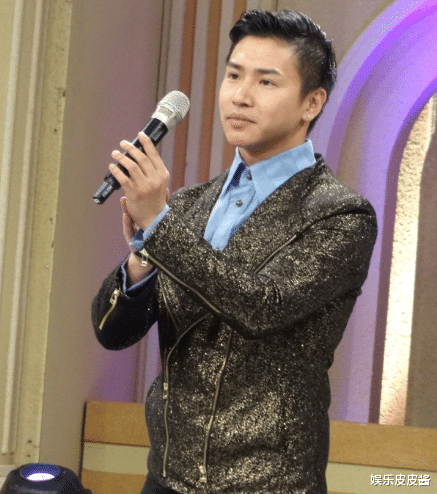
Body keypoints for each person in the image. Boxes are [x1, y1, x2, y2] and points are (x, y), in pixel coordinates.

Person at [91, 10, 377, 494]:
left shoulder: (341, 215)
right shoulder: (187, 205)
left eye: (266, 81)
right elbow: (112, 331)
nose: (240, 95)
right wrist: (142, 256)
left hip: (273, 483)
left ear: (312, 102)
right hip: (166, 478)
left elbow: (262, 306)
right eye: (233, 75)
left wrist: (160, 226)